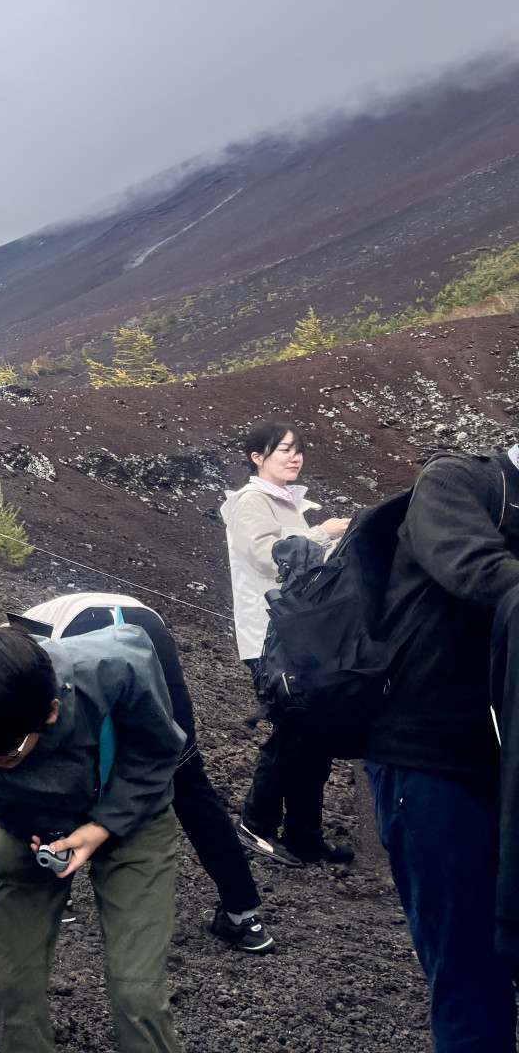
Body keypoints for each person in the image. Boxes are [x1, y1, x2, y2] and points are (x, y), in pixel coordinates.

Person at [0, 622, 186, 1053]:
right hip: (28, 827)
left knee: (137, 992)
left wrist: (102, 826)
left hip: (134, 813)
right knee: (14, 989)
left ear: (52, 713)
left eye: (5, 755)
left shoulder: (116, 665)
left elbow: (157, 751)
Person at [16, 593, 274, 953]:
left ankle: (56, 887)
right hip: (148, 626)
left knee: (59, 759)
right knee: (185, 772)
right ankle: (244, 916)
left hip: (85, 629)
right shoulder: (39, 617)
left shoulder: (13, 638)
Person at [367, 445, 519, 1050]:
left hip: (509, 767)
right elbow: (476, 570)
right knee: (470, 976)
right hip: (433, 764)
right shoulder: (456, 482)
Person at [222, 422, 353, 866]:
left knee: (315, 730)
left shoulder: (287, 503)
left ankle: (303, 833)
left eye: (298, 451)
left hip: (299, 633)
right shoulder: (250, 502)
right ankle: (255, 824)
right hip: (270, 636)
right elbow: (265, 555)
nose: (294, 458)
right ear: (257, 456)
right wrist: (324, 533)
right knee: (294, 727)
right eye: (283, 450)